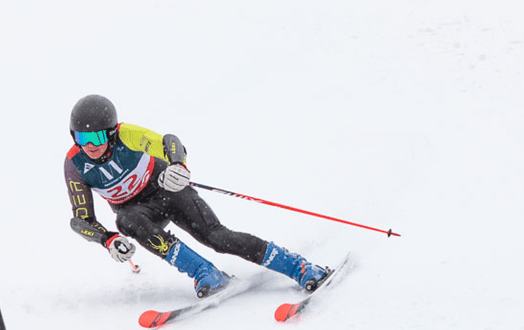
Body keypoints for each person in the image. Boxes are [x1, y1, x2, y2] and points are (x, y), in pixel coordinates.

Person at [65, 94, 328, 297]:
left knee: (217, 238)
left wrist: (178, 165)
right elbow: (81, 219)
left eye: (97, 137)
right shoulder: (75, 164)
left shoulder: (127, 135)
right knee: (125, 221)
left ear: (110, 132)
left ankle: (298, 266)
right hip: (137, 211)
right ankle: (205, 272)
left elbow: (169, 141)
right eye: (81, 137)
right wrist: (107, 240)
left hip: (167, 190)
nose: (90, 145)